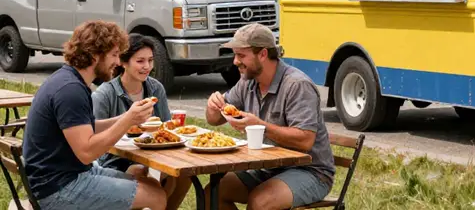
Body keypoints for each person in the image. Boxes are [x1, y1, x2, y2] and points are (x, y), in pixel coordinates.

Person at [23, 20, 167, 210]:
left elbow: (87, 127)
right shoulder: (70, 90)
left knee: (151, 184)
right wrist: (127, 120)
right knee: (155, 197)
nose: (117, 62)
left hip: (60, 178)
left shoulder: (70, 80)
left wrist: (131, 118)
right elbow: (87, 153)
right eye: (114, 55)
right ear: (94, 55)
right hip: (58, 188)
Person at [205, 24, 334, 210]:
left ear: (263, 54)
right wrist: (213, 105)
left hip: (310, 171)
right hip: (268, 168)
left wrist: (261, 126)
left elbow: (305, 140)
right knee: (213, 193)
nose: (235, 61)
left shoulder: (297, 85)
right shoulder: (247, 82)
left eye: (241, 55)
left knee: (260, 202)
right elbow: (214, 120)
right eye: (235, 55)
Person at [93, 33, 191, 210]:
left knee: (183, 175)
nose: (147, 66)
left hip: (153, 156)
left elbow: (166, 129)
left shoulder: (155, 88)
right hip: (114, 160)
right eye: (140, 61)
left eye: (150, 60)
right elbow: (94, 139)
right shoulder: (104, 94)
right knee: (139, 171)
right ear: (123, 62)